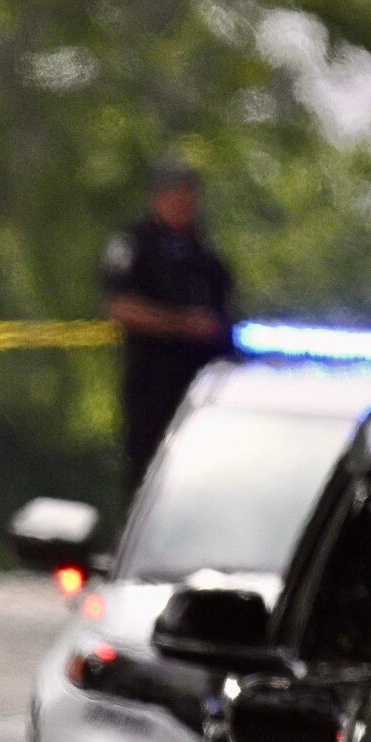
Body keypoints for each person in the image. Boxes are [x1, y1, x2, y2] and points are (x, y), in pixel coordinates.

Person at [101, 158, 236, 496]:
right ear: (159, 198)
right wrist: (182, 325)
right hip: (154, 388)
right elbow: (121, 307)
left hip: (204, 388)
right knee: (150, 480)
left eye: (190, 195)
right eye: (177, 194)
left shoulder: (204, 251)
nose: (185, 203)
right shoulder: (135, 245)